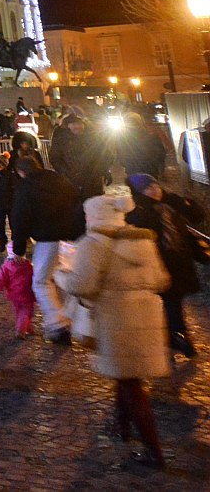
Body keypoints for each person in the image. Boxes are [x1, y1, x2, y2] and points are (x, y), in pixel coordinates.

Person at [56, 190, 172, 470]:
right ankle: (122, 428)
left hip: (117, 320)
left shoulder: (93, 243)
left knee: (131, 384)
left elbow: (82, 286)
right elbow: (161, 280)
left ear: (94, 215)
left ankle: (154, 454)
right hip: (146, 317)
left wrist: (62, 273)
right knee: (126, 376)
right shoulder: (144, 241)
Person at [125, 173, 205, 357]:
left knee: (174, 300)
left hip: (180, 261)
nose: (154, 190)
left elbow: (196, 217)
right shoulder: (139, 212)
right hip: (159, 263)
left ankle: (171, 336)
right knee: (171, 300)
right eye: (148, 188)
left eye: (155, 186)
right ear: (139, 192)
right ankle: (179, 337)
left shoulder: (171, 203)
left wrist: (187, 203)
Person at [11, 155, 85, 345]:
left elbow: (20, 219)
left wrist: (18, 249)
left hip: (48, 239)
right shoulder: (59, 179)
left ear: (21, 172)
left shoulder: (26, 186)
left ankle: (59, 324)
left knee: (41, 282)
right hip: (72, 238)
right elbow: (78, 203)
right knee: (64, 279)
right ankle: (69, 320)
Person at [0, 250, 36, 339]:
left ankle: (28, 328)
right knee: (26, 312)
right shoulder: (28, 266)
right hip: (27, 294)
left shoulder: (6, 266)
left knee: (19, 311)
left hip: (14, 294)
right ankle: (21, 330)